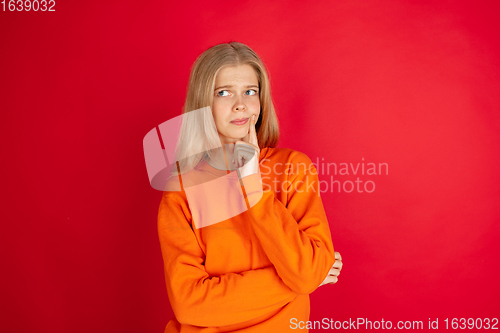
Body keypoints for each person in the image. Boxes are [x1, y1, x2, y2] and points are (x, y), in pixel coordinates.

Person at [157, 41, 343, 332]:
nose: (240, 104)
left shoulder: (293, 168)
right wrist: (298, 280)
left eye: (250, 91)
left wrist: (253, 188)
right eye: (224, 92)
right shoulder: (181, 189)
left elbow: (307, 273)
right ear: (203, 104)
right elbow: (189, 304)